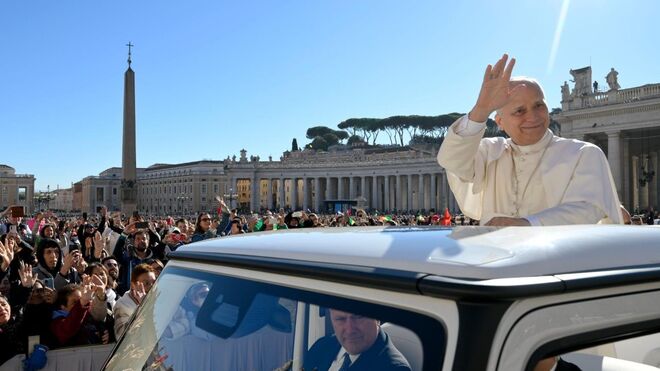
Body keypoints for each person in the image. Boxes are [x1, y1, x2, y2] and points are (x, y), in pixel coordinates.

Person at [437, 54, 623, 226]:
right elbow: (451, 161)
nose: (533, 117)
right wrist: (481, 109)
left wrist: (527, 224)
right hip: (495, 257)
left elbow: (589, 207)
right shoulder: (488, 152)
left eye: (539, 105)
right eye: (520, 111)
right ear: (500, 122)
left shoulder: (583, 153)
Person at [302, 308, 411, 371]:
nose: (350, 330)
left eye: (359, 317)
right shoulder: (322, 346)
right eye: (340, 319)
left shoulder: (395, 368)